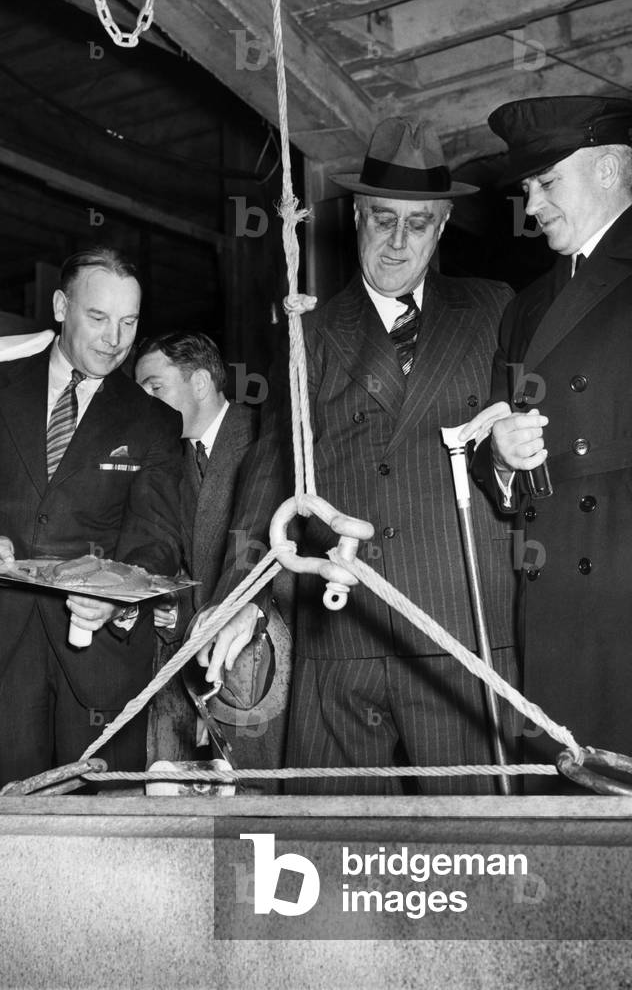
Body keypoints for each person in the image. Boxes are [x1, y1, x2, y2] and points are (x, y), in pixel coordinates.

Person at [201, 116, 518, 794]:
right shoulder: (310, 331)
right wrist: (241, 594)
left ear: (444, 224)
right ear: (355, 216)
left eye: (419, 223)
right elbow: (271, 472)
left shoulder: (495, 311)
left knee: (482, 857)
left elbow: (522, 454)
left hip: (457, 633)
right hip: (340, 637)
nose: (398, 242)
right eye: (382, 219)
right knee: (330, 860)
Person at [474, 95, 632, 806]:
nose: (530, 208)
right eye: (525, 189)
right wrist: (499, 457)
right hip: (557, 602)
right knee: (574, 823)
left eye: (546, 183)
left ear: (612, 169)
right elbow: (494, 459)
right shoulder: (524, 307)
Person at [0, 247, 182, 793]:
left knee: (101, 846)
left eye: (129, 322)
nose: (114, 339)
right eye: (98, 318)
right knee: (2, 843)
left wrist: (118, 594)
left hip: (102, 661)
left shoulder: (155, 422)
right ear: (60, 306)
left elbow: (159, 537)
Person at [134, 331, 268, 765]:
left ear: (200, 384)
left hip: (256, 659)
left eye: (154, 387)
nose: (144, 401)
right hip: (180, 659)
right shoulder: (163, 457)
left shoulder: (267, 438)